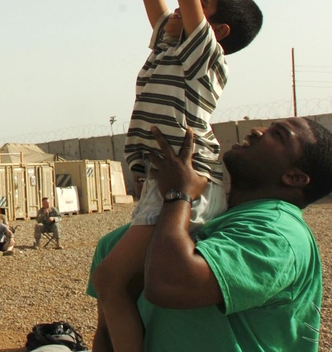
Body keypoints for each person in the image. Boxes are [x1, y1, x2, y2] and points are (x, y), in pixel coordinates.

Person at [90, 0, 263, 352]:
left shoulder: (203, 53)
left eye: (200, 3)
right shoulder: (168, 43)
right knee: (115, 283)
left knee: (109, 279)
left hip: (188, 179)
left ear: (217, 30)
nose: (185, 2)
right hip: (163, 179)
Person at [89, 118, 332, 352]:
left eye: (277, 134)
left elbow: (171, 284)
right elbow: (107, 333)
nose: (256, 131)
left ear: (294, 178)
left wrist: (178, 195)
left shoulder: (278, 234)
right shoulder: (123, 243)